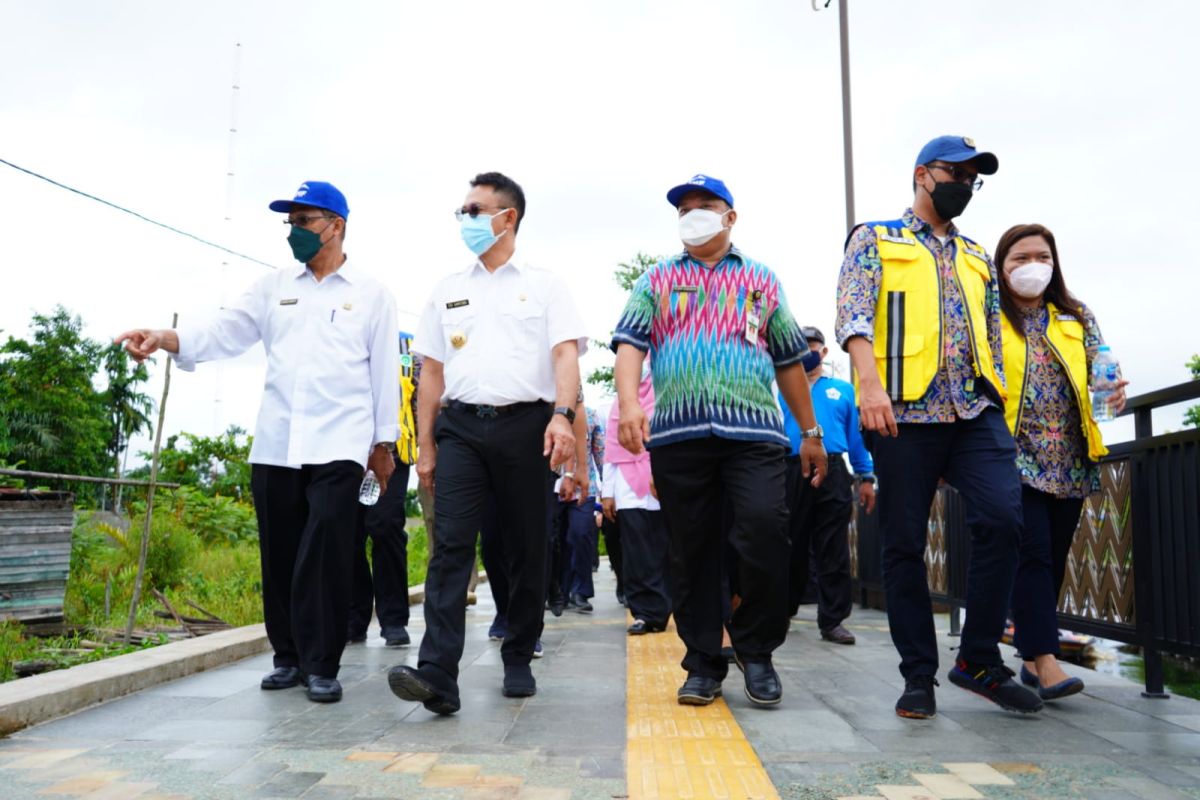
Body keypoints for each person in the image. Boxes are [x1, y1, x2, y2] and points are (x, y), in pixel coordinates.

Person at [116, 181, 399, 704]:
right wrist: (165, 338)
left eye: (303, 220)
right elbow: (226, 331)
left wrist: (384, 445)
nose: (293, 231)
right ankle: (287, 658)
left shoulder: (371, 294)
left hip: (340, 443)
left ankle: (322, 664)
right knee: (282, 554)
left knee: (326, 553)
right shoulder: (272, 288)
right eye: (288, 222)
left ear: (335, 225)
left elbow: (384, 371)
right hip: (276, 444)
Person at [836, 136, 1044, 718]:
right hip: (904, 411)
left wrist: (1000, 395)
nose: (964, 186)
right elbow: (852, 313)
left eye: (973, 179)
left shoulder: (979, 255)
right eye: (956, 173)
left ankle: (976, 659)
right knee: (904, 543)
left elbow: (993, 332)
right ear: (923, 174)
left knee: (1004, 518)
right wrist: (870, 385)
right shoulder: (876, 239)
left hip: (975, 410)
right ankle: (918, 675)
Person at [613, 174, 827, 708]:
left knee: (763, 531)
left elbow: (789, 362)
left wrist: (810, 432)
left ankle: (757, 651)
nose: (693, 214)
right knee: (691, 552)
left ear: (730, 217)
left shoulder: (762, 279)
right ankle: (704, 662)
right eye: (684, 208)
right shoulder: (656, 279)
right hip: (679, 436)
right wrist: (632, 404)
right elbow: (629, 345)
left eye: (705, 205)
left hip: (754, 434)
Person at [388, 171, 586, 714]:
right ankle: (438, 675)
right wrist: (426, 445)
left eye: (474, 210)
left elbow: (566, 357)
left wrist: (563, 418)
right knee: (450, 545)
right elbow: (431, 371)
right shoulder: (449, 288)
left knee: (524, 547)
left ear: (508, 217)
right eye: (464, 210)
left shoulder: (546, 285)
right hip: (461, 432)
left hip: (527, 427)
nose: (465, 219)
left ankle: (519, 651)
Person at [994, 223, 1127, 701]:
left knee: (1051, 560)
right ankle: (1047, 660)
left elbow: (1100, 369)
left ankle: (1030, 658)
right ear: (1002, 266)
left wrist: (1112, 387)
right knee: (1032, 554)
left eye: (1042, 257)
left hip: (1070, 457)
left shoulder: (1075, 315)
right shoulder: (991, 315)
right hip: (1013, 454)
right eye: (1020, 258)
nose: (1032, 267)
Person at [779, 326, 875, 644]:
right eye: (800, 346)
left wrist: (866, 476)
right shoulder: (779, 389)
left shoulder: (843, 391)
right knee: (790, 543)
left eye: (812, 346)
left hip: (833, 469)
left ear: (823, 352)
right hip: (792, 469)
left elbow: (855, 437)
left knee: (833, 546)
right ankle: (783, 609)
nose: (807, 351)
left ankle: (833, 619)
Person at [347, 331, 419, 648]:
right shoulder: (344, 339)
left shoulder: (409, 347)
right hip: (344, 451)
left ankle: (393, 620)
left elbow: (421, 397)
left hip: (392, 452)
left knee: (385, 526)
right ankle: (353, 618)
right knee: (348, 533)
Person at [602, 365, 671, 635]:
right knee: (635, 551)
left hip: (662, 478)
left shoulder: (665, 393)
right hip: (626, 483)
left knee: (665, 546)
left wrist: (661, 470)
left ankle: (668, 603)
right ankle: (644, 612)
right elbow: (610, 449)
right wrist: (608, 493)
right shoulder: (619, 405)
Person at [556, 405, 605, 613]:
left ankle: (581, 591)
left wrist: (608, 491)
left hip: (585, 487)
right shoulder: (548, 415)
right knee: (556, 541)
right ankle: (559, 592)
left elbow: (600, 452)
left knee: (581, 534)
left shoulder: (592, 416)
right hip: (553, 488)